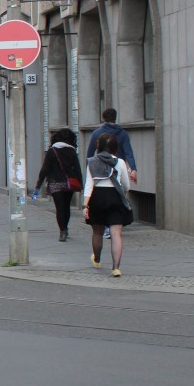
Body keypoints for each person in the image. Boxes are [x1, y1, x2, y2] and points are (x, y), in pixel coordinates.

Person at [83, 133, 132, 278]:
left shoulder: (91, 162)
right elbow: (126, 185)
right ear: (115, 147)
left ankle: (97, 259)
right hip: (115, 198)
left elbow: (88, 185)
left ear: (98, 147)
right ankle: (116, 268)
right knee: (116, 234)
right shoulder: (120, 163)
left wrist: (86, 205)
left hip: (97, 198)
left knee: (97, 232)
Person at [86, 108, 138, 239]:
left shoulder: (97, 133)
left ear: (103, 118)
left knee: (102, 197)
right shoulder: (123, 134)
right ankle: (114, 224)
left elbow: (90, 152)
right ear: (115, 117)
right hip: (118, 168)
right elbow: (128, 152)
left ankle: (107, 227)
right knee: (117, 195)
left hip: (100, 168)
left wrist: (89, 168)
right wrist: (133, 169)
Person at [33, 128, 83, 242]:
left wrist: (38, 186)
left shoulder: (52, 151)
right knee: (66, 207)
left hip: (55, 183)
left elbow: (44, 169)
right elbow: (78, 169)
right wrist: (81, 185)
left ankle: (62, 231)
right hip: (69, 184)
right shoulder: (72, 150)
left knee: (59, 208)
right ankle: (65, 227)